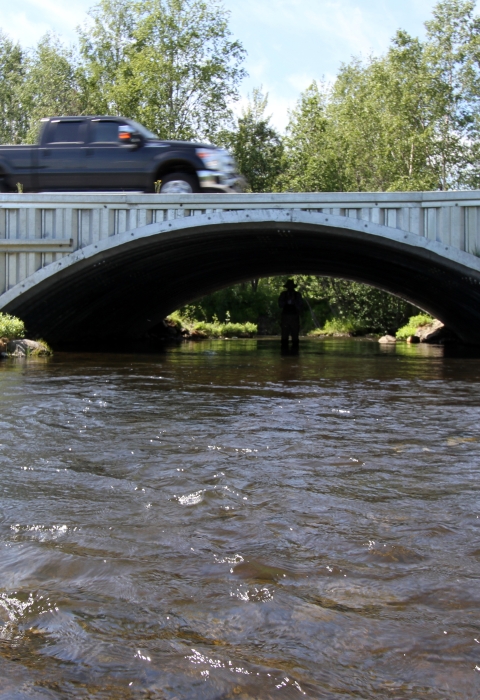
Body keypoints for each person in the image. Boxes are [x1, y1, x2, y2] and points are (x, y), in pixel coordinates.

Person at [278, 279, 303, 346]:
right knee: (284, 337)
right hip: (285, 317)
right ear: (287, 287)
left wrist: (294, 302)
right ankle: (284, 353)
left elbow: (300, 306)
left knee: (295, 337)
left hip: (294, 317)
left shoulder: (297, 295)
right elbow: (280, 305)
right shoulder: (283, 294)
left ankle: (295, 353)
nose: (290, 288)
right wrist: (286, 302)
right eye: (289, 286)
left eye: (291, 286)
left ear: (293, 287)